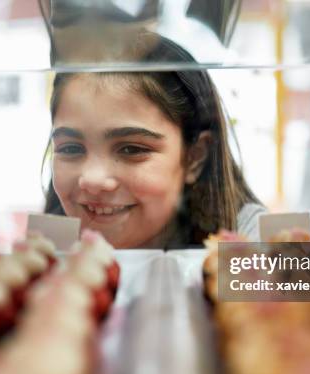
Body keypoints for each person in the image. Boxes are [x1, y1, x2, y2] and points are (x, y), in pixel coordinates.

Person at [43, 33, 266, 249]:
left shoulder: (260, 243)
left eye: (131, 149)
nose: (93, 179)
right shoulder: (47, 247)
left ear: (195, 157)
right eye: (71, 148)